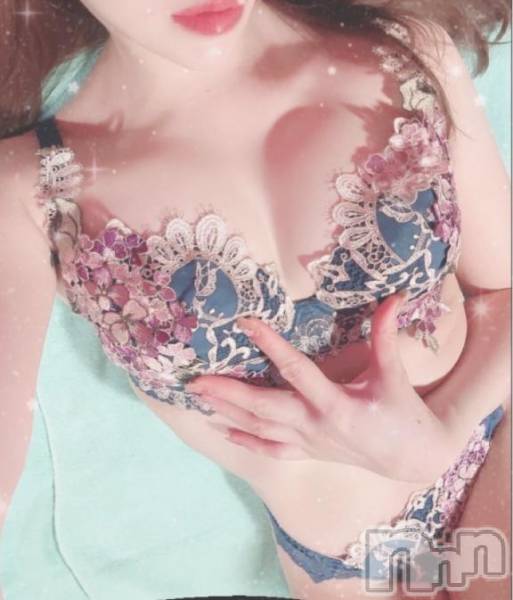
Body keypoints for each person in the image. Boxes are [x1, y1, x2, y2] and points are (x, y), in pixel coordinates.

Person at [0, 0, 511, 598]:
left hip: (492, 445)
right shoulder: (29, 190)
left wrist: (444, 433)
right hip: (352, 568)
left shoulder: (405, 53)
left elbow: (503, 291)